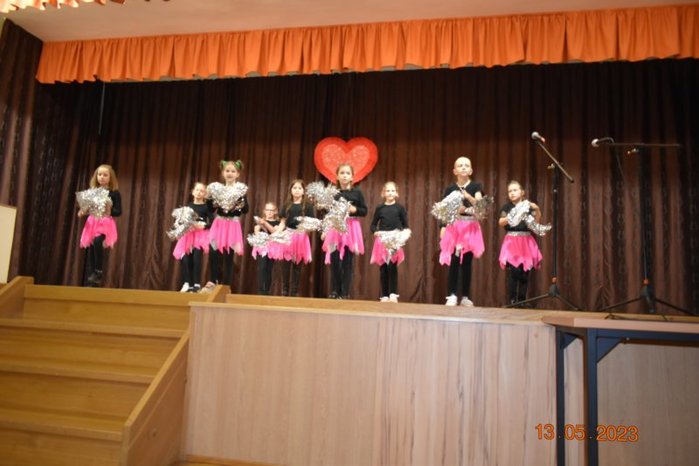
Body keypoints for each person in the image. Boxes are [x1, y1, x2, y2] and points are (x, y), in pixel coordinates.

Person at [439, 156, 485, 306]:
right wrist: (443, 226)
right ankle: (451, 295)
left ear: (471, 170)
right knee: (454, 260)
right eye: (460, 165)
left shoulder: (476, 186)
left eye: (466, 165)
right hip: (454, 226)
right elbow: (444, 210)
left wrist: (468, 197)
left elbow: (480, 206)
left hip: (470, 227)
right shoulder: (450, 189)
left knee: (467, 262)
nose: (463, 167)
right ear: (455, 171)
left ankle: (465, 296)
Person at [322, 163, 367, 299]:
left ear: (352, 177)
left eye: (348, 173)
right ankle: (335, 290)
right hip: (335, 227)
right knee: (334, 259)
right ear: (337, 176)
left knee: (347, 261)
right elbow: (327, 213)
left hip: (350, 228)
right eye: (342, 173)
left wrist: (354, 209)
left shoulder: (357, 193)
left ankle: (344, 292)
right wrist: (325, 230)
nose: (345, 176)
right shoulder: (333, 193)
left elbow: (364, 211)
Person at [204, 160, 249, 292]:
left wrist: (240, 202)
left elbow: (246, 209)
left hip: (232, 225)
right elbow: (210, 209)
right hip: (219, 223)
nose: (230, 173)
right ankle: (213, 281)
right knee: (214, 252)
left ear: (237, 174)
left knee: (228, 255)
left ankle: (226, 285)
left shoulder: (240, 190)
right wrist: (210, 200)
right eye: (227, 171)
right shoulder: (217, 189)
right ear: (223, 173)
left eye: (233, 171)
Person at [498, 180, 544, 307]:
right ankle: (512, 300)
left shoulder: (529, 207)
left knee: (525, 272)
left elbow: (536, 224)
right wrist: (513, 214)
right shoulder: (507, 207)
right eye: (510, 191)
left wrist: (537, 209)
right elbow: (501, 222)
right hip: (512, 241)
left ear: (522, 192)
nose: (512, 193)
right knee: (514, 271)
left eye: (515, 190)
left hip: (525, 241)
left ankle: (522, 300)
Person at [78, 164, 122, 287]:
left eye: (105, 175)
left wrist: (109, 211)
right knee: (91, 247)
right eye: (99, 174)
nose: (102, 177)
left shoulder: (114, 193)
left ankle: (98, 271)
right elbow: (87, 207)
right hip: (92, 222)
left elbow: (119, 211)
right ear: (96, 176)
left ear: (110, 177)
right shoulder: (92, 192)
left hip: (105, 223)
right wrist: (82, 211)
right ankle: (93, 278)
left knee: (98, 241)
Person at [370, 181, 409, 303]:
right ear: (383, 193)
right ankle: (385, 295)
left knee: (392, 267)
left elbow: (405, 225)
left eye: (393, 190)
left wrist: (402, 236)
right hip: (382, 240)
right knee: (383, 268)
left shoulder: (400, 208)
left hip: (394, 240)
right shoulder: (380, 208)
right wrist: (375, 232)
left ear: (397, 193)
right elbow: (373, 224)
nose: (390, 193)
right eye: (388, 191)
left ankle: (393, 294)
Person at [173, 182, 214, 293]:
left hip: (200, 237)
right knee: (186, 260)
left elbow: (213, 223)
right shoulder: (188, 207)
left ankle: (196, 284)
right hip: (187, 236)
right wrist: (180, 229)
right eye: (197, 190)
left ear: (205, 194)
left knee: (196, 259)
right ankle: (188, 283)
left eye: (202, 191)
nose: (199, 192)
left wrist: (204, 225)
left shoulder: (206, 207)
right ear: (192, 192)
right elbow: (181, 222)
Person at [278, 179, 315, 296]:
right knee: (285, 264)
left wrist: (304, 230)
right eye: (294, 188)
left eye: (300, 188)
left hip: (301, 237)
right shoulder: (286, 205)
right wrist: (277, 233)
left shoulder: (308, 206)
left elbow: (311, 224)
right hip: (288, 236)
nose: (297, 190)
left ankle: (294, 291)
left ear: (303, 191)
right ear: (291, 190)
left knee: (297, 266)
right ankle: (284, 289)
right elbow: (282, 223)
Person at [251, 202, 282, 295]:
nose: (269, 212)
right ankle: (261, 290)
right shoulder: (259, 222)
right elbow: (256, 234)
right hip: (262, 248)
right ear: (264, 211)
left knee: (269, 269)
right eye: (267, 210)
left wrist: (265, 223)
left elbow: (274, 232)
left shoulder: (277, 223)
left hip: (272, 249)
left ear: (275, 211)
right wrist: (257, 229)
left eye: (271, 210)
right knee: (262, 267)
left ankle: (266, 290)